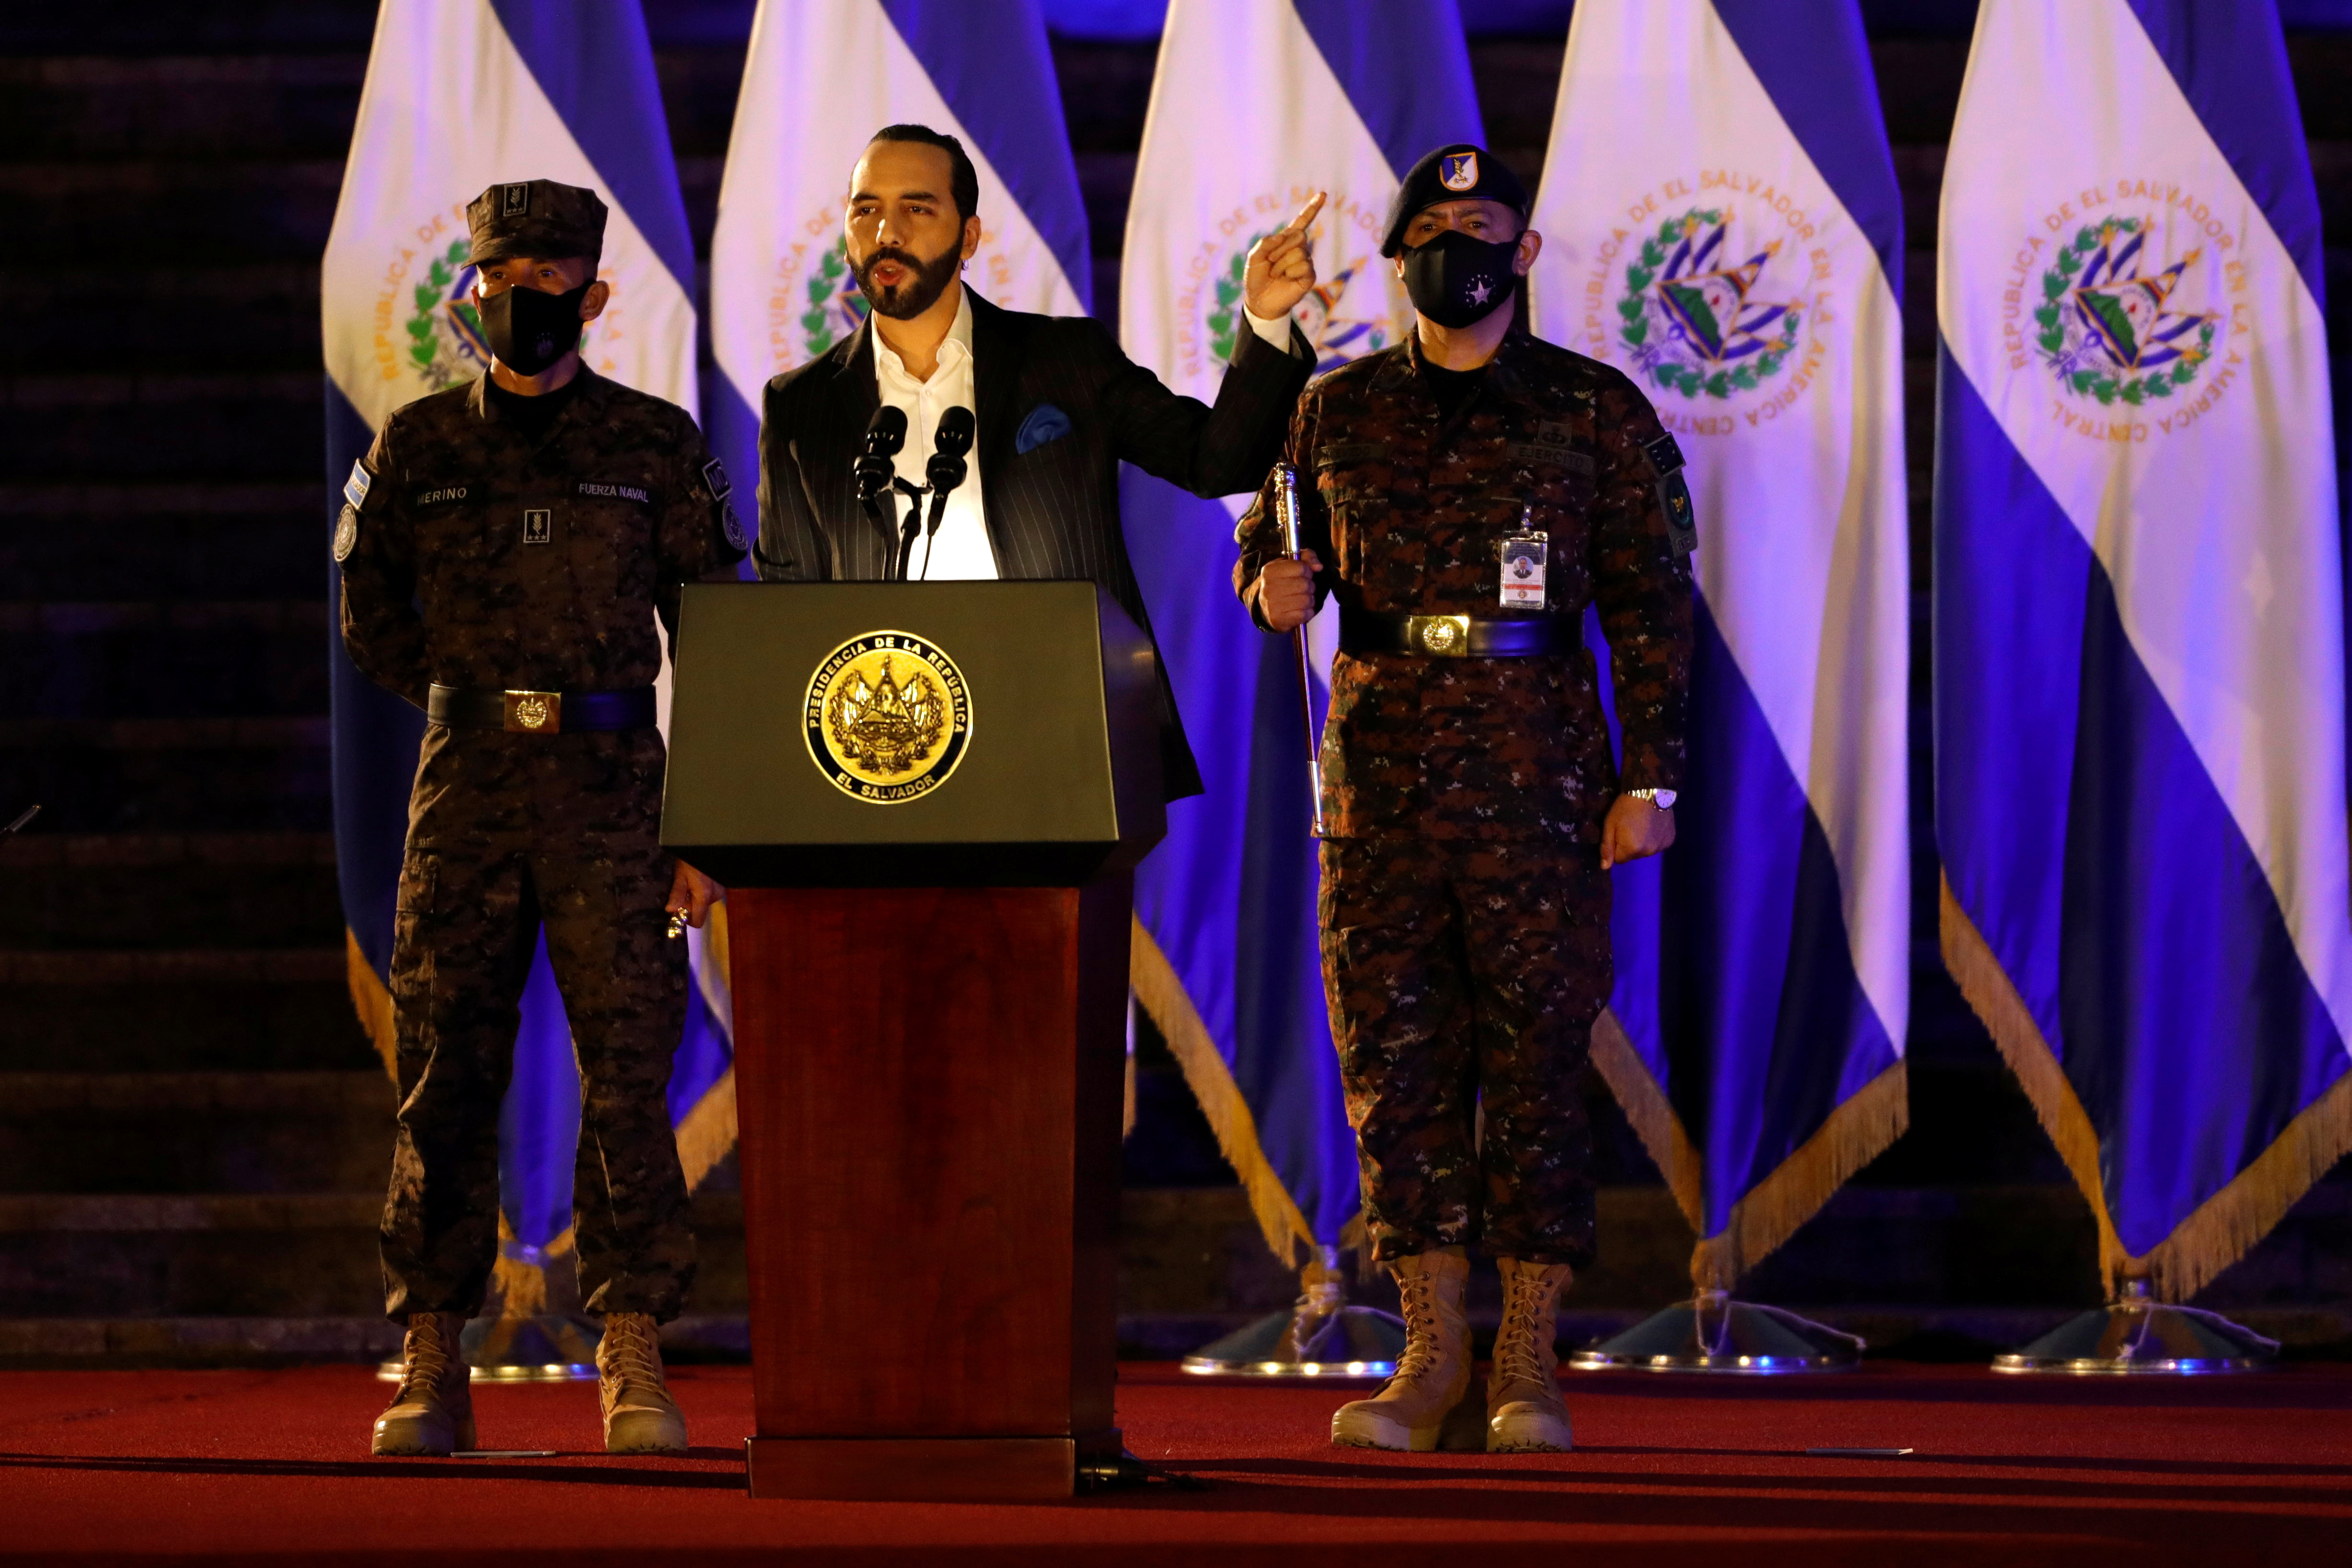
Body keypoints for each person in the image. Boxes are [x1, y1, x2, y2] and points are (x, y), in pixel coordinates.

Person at [1234, 144, 1696, 1454]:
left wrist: (1646, 778)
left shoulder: (1592, 408)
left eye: (1480, 225)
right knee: (1393, 1064)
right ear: (1397, 258)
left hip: (1535, 768)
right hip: (1373, 774)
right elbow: (1271, 540)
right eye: (1430, 228)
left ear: (1525, 252)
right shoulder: (1333, 410)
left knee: (1535, 1058)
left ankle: (1526, 1360)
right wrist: (1269, 581)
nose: (1456, 245)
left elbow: (1652, 605)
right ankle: (1429, 1352)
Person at [337, 179, 746, 1458]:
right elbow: (370, 611)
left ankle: (629, 1345)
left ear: (595, 292)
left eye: (550, 280)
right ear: (474, 292)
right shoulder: (416, 445)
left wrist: (706, 825)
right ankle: (431, 1348)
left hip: (616, 787)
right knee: (444, 1068)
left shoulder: (654, 442)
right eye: (503, 280)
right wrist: (475, 700)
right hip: (468, 785)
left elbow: (720, 632)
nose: (524, 300)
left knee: (628, 1074)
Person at [754, 123, 1321, 800]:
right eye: (865, 209)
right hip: (883, 753)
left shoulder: (1065, 360)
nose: (887, 232)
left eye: (916, 207)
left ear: (968, 237)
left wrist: (1261, 319)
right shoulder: (799, 404)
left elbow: (1214, 462)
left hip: (1063, 730)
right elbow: (788, 606)